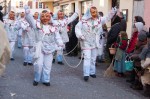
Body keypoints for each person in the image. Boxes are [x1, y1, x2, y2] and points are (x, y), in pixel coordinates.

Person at [75, 6, 117, 81]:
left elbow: (107, 18)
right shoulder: (83, 20)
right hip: (86, 42)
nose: (95, 14)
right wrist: (80, 35)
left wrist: (113, 11)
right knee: (87, 58)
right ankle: (86, 74)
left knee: (93, 58)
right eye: (93, 12)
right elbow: (77, 28)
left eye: (96, 12)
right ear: (89, 12)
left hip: (95, 42)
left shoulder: (99, 20)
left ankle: (92, 72)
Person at [25, 6, 63, 86]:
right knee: (38, 64)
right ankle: (36, 79)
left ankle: (46, 80)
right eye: (43, 16)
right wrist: (27, 12)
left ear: (50, 17)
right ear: (40, 17)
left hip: (50, 48)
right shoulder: (37, 25)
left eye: (47, 16)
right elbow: (30, 19)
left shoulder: (53, 27)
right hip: (40, 48)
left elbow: (57, 36)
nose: (45, 18)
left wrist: (60, 42)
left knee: (48, 65)